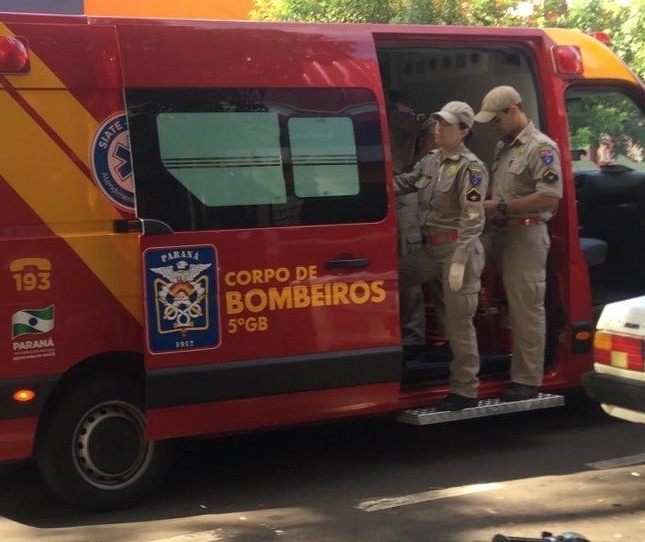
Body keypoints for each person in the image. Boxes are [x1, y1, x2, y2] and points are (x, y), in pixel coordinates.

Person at [394, 101, 488, 410]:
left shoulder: (472, 168)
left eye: (447, 124)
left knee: (460, 324)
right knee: (388, 279)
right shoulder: (431, 161)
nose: (439, 128)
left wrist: (460, 260)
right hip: (431, 250)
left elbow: (473, 218)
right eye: (438, 122)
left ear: (464, 131)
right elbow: (405, 182)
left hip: (456, 250)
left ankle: (465, 390)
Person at [473, 85, 563, 401]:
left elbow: (550, 194)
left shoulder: (541, 148)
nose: (494, 127)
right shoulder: (504, 148)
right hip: (499, 232)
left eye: (496, 120)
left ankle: (526, 381)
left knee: (527, 308)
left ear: (513, 109)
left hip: (525, 235)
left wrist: (500, 207)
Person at [388, 97, 426, 359]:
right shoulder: (400, 119)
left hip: (403, 195)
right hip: (388, 190)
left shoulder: (409, 121)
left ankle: (413, 337)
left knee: (408, 269)